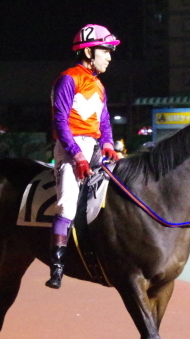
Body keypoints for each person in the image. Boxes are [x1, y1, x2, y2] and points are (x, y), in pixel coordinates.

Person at [46, 24, 122, 289]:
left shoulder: (99, 85)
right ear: (90, 52)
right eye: (106, 51)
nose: (110, 57)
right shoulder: (68, 79)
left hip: (94, 147)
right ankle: (57, 266)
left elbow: (104, 121)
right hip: (69, 148)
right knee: (67, 203)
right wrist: (77, 155)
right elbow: (60, 122)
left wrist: (109, 144)